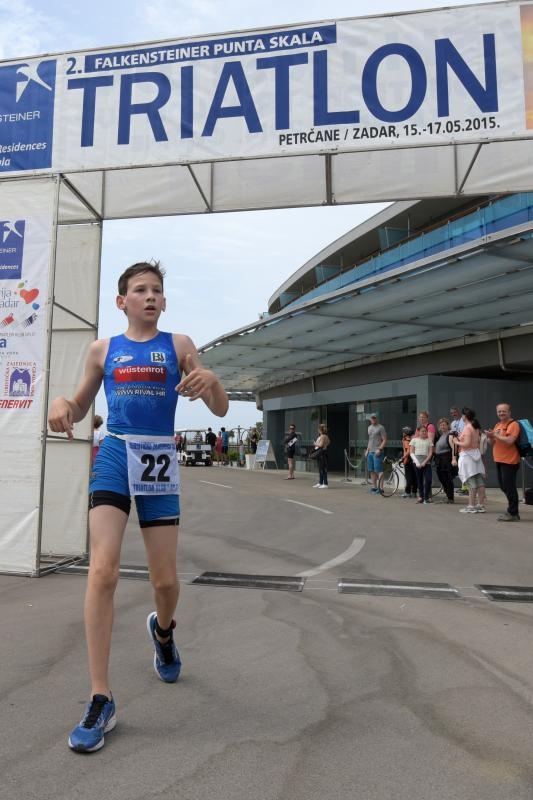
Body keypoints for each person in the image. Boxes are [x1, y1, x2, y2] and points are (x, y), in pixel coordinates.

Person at [47, 260, 228, 753]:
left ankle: (163, 632)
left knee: (165, 583)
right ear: (121, 301)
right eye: (140, 290)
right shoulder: (102, 349)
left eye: (157, 290)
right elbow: (82, 409)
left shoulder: (180, 346)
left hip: (159, 460)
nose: (150, 296)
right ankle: (100, 696)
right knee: (101, 571)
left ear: (164, 302)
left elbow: (221, 409)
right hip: (114, 454)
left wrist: (209, 379)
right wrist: (61, 403)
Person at [486, 402, 521, 522]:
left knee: (509, 487)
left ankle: (513, 512)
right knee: (503, 486)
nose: (501, 413)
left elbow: (510, 441)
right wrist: (491, 437)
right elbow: (492, 443)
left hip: (510, 461)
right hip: (499, 460)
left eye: (503, 411)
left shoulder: (513, 424)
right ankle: (512, 509)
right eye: (499, 411)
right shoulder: (498, 424)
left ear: (509, 412)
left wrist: (496, 435)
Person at [453, 407, 487, 514]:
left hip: (468, 456)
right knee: (479, 481)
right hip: (475, 455)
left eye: (462, 415)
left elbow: (467, 444)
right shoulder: (475, 426)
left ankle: (471, 505)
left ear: (465, 416)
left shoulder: (468, 427)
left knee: (471, 481)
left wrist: (456, 441)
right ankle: (480, 505)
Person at [410, 425, 434, 504]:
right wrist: (417, 462)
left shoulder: (429, 441)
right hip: (416, 462)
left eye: (425, 431)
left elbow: (430, 453)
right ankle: (421, 497)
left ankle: (426, 497)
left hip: (426, 463)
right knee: (419, 480)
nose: (424, 432)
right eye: (422, 431)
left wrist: (425, 462)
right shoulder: (414, 440)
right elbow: (411, 453)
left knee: (428, 479)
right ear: (418, 432)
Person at [433, 418, 455, 503]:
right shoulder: (441, 435)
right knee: (441, 478)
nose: (442, 426)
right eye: (441, 425)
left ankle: (450, 498)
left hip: (446, 459)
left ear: (447, 425)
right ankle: (448, 495)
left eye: (444, 425)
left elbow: (454, 448)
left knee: (448, 479)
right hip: (439, 459)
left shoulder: (450, 435)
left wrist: (453, 458)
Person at [365, 413, 387, 493]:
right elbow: (370, 440)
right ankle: (374, 487)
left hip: (377, 452)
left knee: (379, 470)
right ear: (370, 419)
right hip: (370, 452)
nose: (373, 419)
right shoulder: (369, 427)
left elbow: (384, 439)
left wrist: (380, 449)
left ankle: (381, 488)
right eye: (372, 418)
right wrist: (367, 450)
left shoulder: (381, 427)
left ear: (377, 419)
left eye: (374, 418)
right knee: (371, 470)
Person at [312, 423, 330, 488]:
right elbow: (328, 443)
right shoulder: (326, 436)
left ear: (320, 430)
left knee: (322, 468)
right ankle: (320, 482)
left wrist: (315, 444)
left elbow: (321, 445)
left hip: (322, 453)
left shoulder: (323, 436)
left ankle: (325, 483)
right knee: (321, 468)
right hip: (323, 452)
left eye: (318, 429)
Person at [401, 426, 417, 498]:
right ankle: (414, 492)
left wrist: (403, 457)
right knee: (414, 477)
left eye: (404, 432)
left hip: (408, 460)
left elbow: (408, 451)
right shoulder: (412, 439)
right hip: (414, 459)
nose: (403, 433)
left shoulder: (406, 440)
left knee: (408, 477)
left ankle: (407, 492)